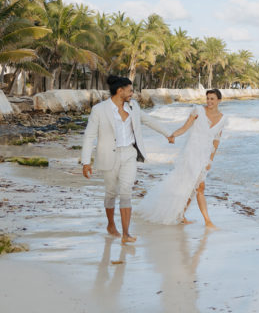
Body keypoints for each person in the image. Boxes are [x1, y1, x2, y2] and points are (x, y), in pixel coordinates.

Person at [81, 75, 174, 244]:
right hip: (109, 155)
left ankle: (126, 233)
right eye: (130, 90)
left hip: (130, 154)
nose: (133, 93)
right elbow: (89, 136)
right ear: (120, 91)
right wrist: (86, 162)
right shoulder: (100, 110)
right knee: (111, 192)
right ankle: (111, 225)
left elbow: (148, 120)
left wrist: (168, 133)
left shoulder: (134, 107)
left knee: (126, 191)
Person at [137, 89, 227, 227]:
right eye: (208, 98)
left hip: (204, 157)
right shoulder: (198, 111)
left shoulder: (223, 119)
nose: (209, 101)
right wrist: (172, 135)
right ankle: (207, 221)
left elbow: (216, 141)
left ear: (219, 100)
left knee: (192, 187)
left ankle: (181, 215)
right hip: (191, 154)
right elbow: (184, 128)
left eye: (212, 99)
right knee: (198, 187)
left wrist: (210, 160)